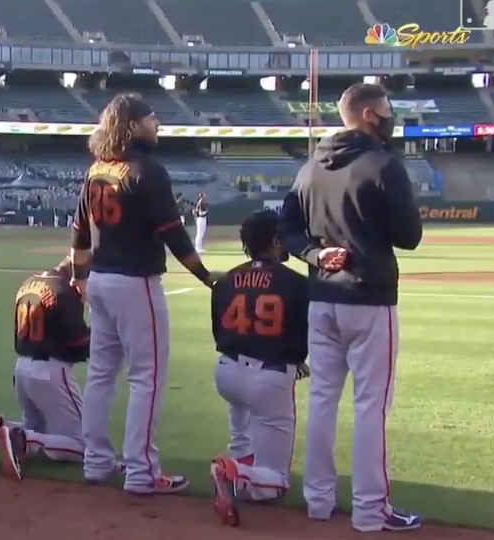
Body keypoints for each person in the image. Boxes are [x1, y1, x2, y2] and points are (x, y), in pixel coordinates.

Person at [280, 83, 423, 532]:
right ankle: (369, 510)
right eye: (385, 110)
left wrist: (316, 255)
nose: (390, 116)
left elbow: (287, 229)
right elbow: (409, 236)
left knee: (323, 399)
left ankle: (318, 501)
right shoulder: (383, 165)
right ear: (366, 114)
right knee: (370, 407)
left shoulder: (308, 169)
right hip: (369, 297)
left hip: (322, 296)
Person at [70, 94, 218, 494]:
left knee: (100, 374)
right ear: (133, 125)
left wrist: (78, 276)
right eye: (152, 118)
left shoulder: (97, 169)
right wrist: (205, 276)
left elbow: (80, 232)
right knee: (146, 378)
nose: (157, 125)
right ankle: (142, 472)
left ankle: (96, 462)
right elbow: (170, 232)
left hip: (99, 279)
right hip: (134, 282)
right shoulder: (148, 170)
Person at [207, 210, 310, 527]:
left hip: (226, 371)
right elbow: (299, 330)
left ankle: (240, 469)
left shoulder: (225, 281)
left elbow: (221, 332)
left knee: (243, 434)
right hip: (268, 378)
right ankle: (231, 471)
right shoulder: (297, 283)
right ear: (275, 240)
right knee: (275, 483)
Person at [0, 257, 91, 481]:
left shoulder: (29, 282)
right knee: (85, 445)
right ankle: (22, 439)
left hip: (23, 367)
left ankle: (2, 427)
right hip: (51, 371)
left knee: (38, 425)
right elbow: (77, 341)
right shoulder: (67, 290)